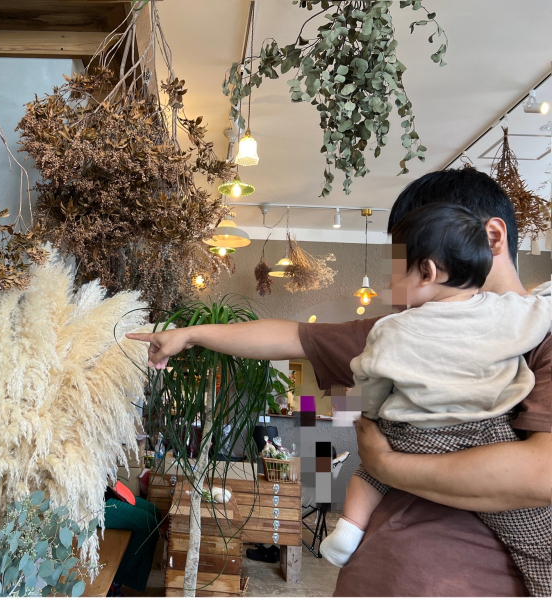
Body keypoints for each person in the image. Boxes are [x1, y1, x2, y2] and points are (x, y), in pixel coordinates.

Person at [127, 168, 552, 596]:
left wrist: (387, 466)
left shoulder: (539, 333)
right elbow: (292, 335)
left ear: (491, 238)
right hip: (376, 575)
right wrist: (189, 333)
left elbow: (541, 475)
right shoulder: (402, 331)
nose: (396, 281)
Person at [315, 203, 551, 596]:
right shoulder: (513, 313)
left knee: (370, 472)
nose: (390, 288)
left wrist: (365, 416)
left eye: (395, 273)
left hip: (414, 436)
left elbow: (369, 383)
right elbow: (543, 308)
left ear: (426, 272)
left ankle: (348, 529)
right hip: (490, 439)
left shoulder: (392, 329)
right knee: (539, 548)